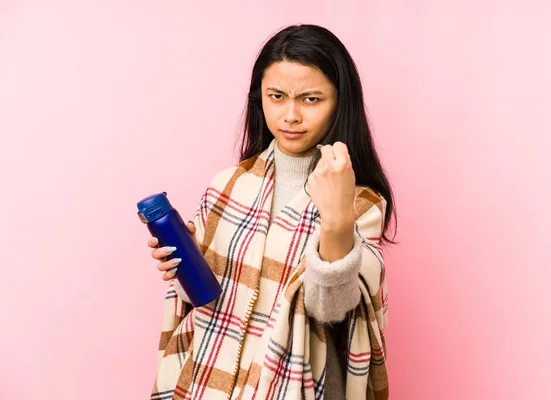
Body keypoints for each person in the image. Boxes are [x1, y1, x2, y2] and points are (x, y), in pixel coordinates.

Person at [147, 24, 396, 400]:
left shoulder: (360, 202)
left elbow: (331, 309)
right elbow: (203, 301)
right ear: (259, 98)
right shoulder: (226, 186)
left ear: (339, 102)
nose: (290, 115)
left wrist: (336, 219)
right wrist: (186, 261)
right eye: (276, 96)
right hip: (209, 381)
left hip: (294, 387)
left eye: (311, 99)